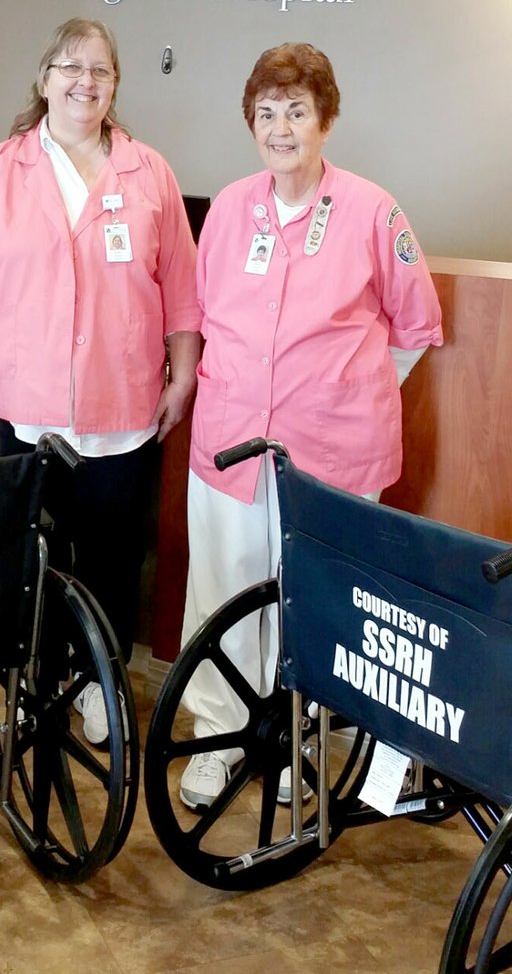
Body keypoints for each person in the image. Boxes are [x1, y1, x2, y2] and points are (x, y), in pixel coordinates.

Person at [178, 42, 443, 810]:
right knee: (225, 592)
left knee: (316, 602)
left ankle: (298, 741)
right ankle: (220, 737)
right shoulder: (230, 207)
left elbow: (415, 327)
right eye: (266, 112)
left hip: (332, 455)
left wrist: (348, 389)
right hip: (229, 445)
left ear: (326, 119)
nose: (281, 127)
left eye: (297, 110)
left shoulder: (371, 209)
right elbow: (201, 314)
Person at [0, 17, 201, 743]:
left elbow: (181, 285)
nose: (85, 81)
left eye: (101, 70)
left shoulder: (149, 173)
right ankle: (37, 678)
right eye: (71, 67)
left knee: (115, 562)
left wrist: (183, 374)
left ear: (116, 85)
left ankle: (97, 681)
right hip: (27, 412)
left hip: (124, 411)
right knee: (31, 558)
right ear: (44, 77)